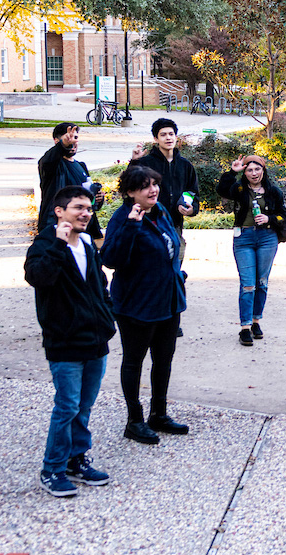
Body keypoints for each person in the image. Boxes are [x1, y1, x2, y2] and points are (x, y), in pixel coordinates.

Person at [24, 186, 116, 497]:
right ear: (59, 211)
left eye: (89, 208)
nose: (85, 213)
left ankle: (77, 459)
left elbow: (99, 284)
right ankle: (52, 468)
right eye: (78, 207)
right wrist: (59, 246)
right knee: (66, 406)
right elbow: (39, 277)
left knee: (84, 406)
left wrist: (106, 318)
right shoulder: (45, 244)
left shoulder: (89, 243)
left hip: (95, 338)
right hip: (64, 342)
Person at [102, 165, 188, 445]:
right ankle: (134, 420)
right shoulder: (123, 218)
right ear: (129, 192)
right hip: (137, 304)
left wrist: (177, 276)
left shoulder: (161, 211)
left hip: (168, 301)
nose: (153, 190)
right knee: (134, 361)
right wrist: (131, 225)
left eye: (155, 184)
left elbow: (170, 249)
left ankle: (158, 414)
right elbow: (111, 258)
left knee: (163, 361)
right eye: (144, 186)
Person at [217, 155, 286, 346]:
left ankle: (256, 321)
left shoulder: (273, 191)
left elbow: (284, 215)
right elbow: (221, 190)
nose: (254, 173)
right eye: (249, 170)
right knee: (248, 284)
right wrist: (233, 171)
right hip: (244, 238)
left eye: (257, 169)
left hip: (267, 238)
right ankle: (245, 327)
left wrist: (269, 219)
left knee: (261, 282)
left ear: (263, 170)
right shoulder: (239, 189)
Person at [129, 118, 200, 260]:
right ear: (155, 138)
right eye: (163, 135)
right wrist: (134, 162)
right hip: (149, 224)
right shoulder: (146, 163)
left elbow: (193, 194)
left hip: (175, 227)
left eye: (171, 134)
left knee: (174, 273)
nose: (168, 138)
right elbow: (130, 188)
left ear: (176, 137)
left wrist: (192, 209)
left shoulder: (185, 165)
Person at [37, 122, 105, 243]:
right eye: (68, 138)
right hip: (58, 230)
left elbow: (87, 196)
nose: (73, 142)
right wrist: (64, 145)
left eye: (76, 138)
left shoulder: (81, 166)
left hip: (83, 231)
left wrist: (98, 198)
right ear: (56, 141)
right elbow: (48, 159)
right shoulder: (52, 165)